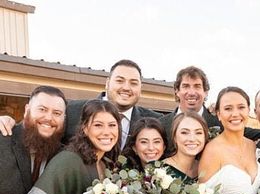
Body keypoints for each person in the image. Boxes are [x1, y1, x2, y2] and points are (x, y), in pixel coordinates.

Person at [0, 59, 163, 150]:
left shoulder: (154, 120)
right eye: (120, 81)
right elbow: (38, 130)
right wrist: (8, 122)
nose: (126, 87)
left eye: (134, 83)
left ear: (141, 88)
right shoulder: (73, 110)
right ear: (107, 83)